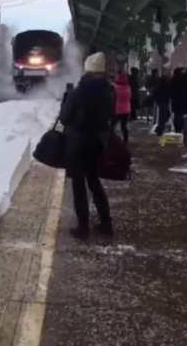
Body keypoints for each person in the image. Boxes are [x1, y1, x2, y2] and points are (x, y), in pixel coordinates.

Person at [59, 52, 113, 239]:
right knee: (94, 182)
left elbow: (65, 118)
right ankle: (106, 223)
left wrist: (66, 100)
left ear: (87, 70)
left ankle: (83, 227)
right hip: (97, 144)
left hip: (77, 144)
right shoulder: (108, 91)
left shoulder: (78, 92)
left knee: (79, 186)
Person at [112, 71, 131, 144]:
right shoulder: (128, 87)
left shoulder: (114, 87)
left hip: (116, 109)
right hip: (126, 110)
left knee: (112, 126)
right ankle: (125, 140)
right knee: (124, 127)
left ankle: (112, 140)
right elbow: (129, 97)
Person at [153, 70, 172, 136]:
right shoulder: (167, 86)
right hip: (164, 101)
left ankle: (159, 128)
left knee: (162, 115)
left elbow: (155, 92)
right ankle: (160, 129)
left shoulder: (159, 86)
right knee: (164, 115)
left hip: (160, 101)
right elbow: (169, 93)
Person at [170, 67, 187, 133]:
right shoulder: (182, 79)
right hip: (181, 100)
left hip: (175, 100)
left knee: (177, 115)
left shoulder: (173, 80)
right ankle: (179, 128)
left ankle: (177, 128)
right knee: (180, 115)